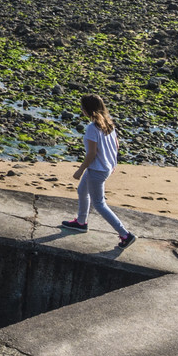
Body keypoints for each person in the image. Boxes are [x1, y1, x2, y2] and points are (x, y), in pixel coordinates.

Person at [60, 93, 135, 247]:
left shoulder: (92, 128)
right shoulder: (109, 123)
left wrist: (80, 170)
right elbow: (116, 145)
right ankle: (81, 222)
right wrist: (113, 163)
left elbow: (92, 154)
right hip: (103, 167)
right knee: (82, 190)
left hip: (97, 170)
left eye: (82, 107)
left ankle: (125, 234)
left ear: (88, 110)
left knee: (99, 204)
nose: (81, 110)